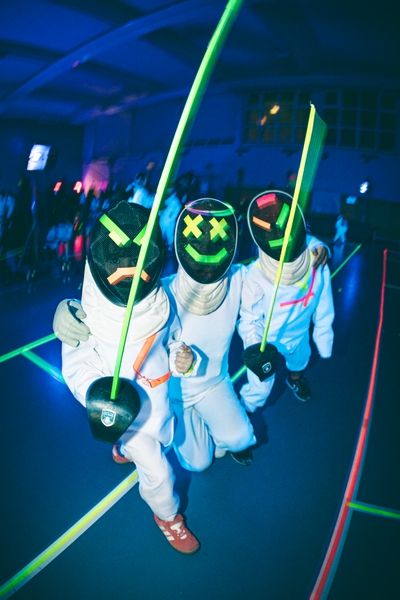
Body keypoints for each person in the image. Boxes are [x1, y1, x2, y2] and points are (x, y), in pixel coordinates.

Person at [59, 200, 200, 554]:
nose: (127, 263)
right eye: (117, 255)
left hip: (159, 404)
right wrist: (98, 395)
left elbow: (174, 339)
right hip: (124, 415)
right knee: (160, 472)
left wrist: (181, 357)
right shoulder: (86, 316)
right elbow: (77, 367)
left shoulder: (162, 301)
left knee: (162, 442)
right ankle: (168, 516)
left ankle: (121, 447)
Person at [238, 190, 334, 411]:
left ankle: (295, 379)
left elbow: (324, 304)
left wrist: (324, 338)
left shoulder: (317, 262)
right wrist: (255, 347)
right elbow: (249, 319)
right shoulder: (255, 274)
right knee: (260, 387)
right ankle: (246, 409)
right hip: (266, 340)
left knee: (299, 361)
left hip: (298, 334)